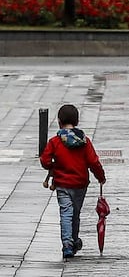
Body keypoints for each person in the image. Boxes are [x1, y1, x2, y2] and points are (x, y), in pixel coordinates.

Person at [40, 104, 106, 258]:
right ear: (77, 121)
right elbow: (93, 162)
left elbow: (44, 160)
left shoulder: (55, 141)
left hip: (63, 184)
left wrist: (52, 166)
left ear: (59, 121)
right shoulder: (85, 141)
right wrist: (101, 177)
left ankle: (68, 243)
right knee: (75, 213)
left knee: (66, 213)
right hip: (80, 184)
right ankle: (74, 240)